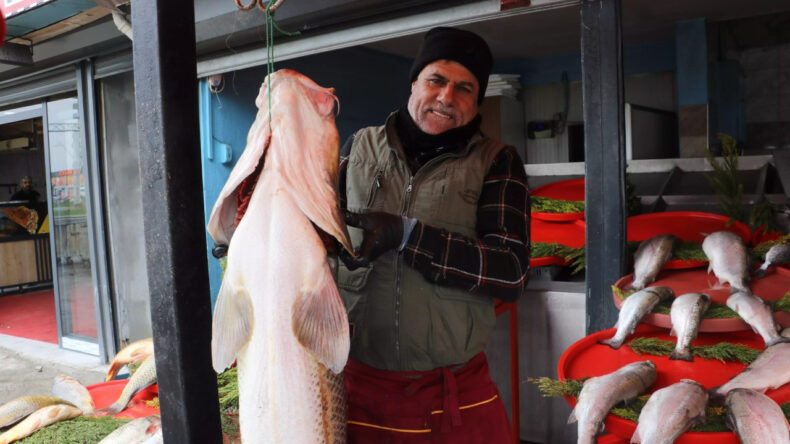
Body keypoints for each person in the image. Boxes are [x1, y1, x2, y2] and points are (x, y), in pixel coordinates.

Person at [337, 26, 530, 443]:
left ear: (476, 102)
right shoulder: (358, 147)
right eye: (436, 80)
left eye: (465, 88)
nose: (446, 98)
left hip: (453, 393)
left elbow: (510, 272)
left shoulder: (496, 161)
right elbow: (319, 234)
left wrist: (409, 235)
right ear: (414, 83)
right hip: (356, 386)